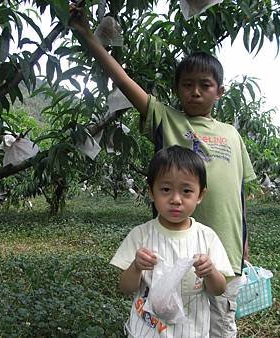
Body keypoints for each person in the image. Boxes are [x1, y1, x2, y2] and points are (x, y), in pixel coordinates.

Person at [69, 4, 256, 337]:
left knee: (222, 324)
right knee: (171, 323)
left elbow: (239, 192)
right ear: (177, 89)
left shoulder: (232, 134)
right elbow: (124, 80)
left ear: (220, 91)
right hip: (173, 250)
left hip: (223, 253)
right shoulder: (167, 119)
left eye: (205, 85)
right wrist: (87, 35)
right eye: (187, 84)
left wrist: (244, 244)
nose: (195, 91)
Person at [110, 145, 235, 337]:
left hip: (191, 331)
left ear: (200, 195)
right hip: (146, 331)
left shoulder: (207, 237)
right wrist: (136, 266)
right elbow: (125, 288)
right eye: (166, 189)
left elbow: (219, 290)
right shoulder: (141, 235)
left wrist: (210, 271)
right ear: (151, 192)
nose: (176, 199)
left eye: (186, 191)